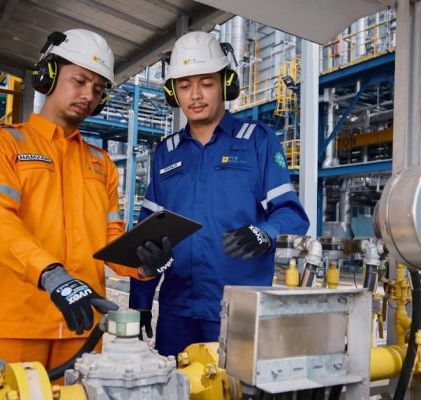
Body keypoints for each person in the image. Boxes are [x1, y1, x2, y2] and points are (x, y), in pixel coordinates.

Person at [0, 28, 165, 370]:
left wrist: (143, 265)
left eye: (98, 89)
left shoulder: (101, 163)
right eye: (80, 81)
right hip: (12, 324)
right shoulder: (3, 143)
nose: (88, 95)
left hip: (80, 325)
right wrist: (49, 274)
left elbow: (110, 239)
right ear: (48, 75)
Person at [129, 31, 310, 357]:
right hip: (177, 312)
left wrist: (265, 233)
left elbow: (291, 214)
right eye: (185, 86)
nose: (195, 95)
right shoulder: (167, 153)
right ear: (173, 92)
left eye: (206, 83)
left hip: (239, 310)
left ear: (226, 84)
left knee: (234, 384)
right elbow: (147, 236)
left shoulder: (257, 141)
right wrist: (140, 301)